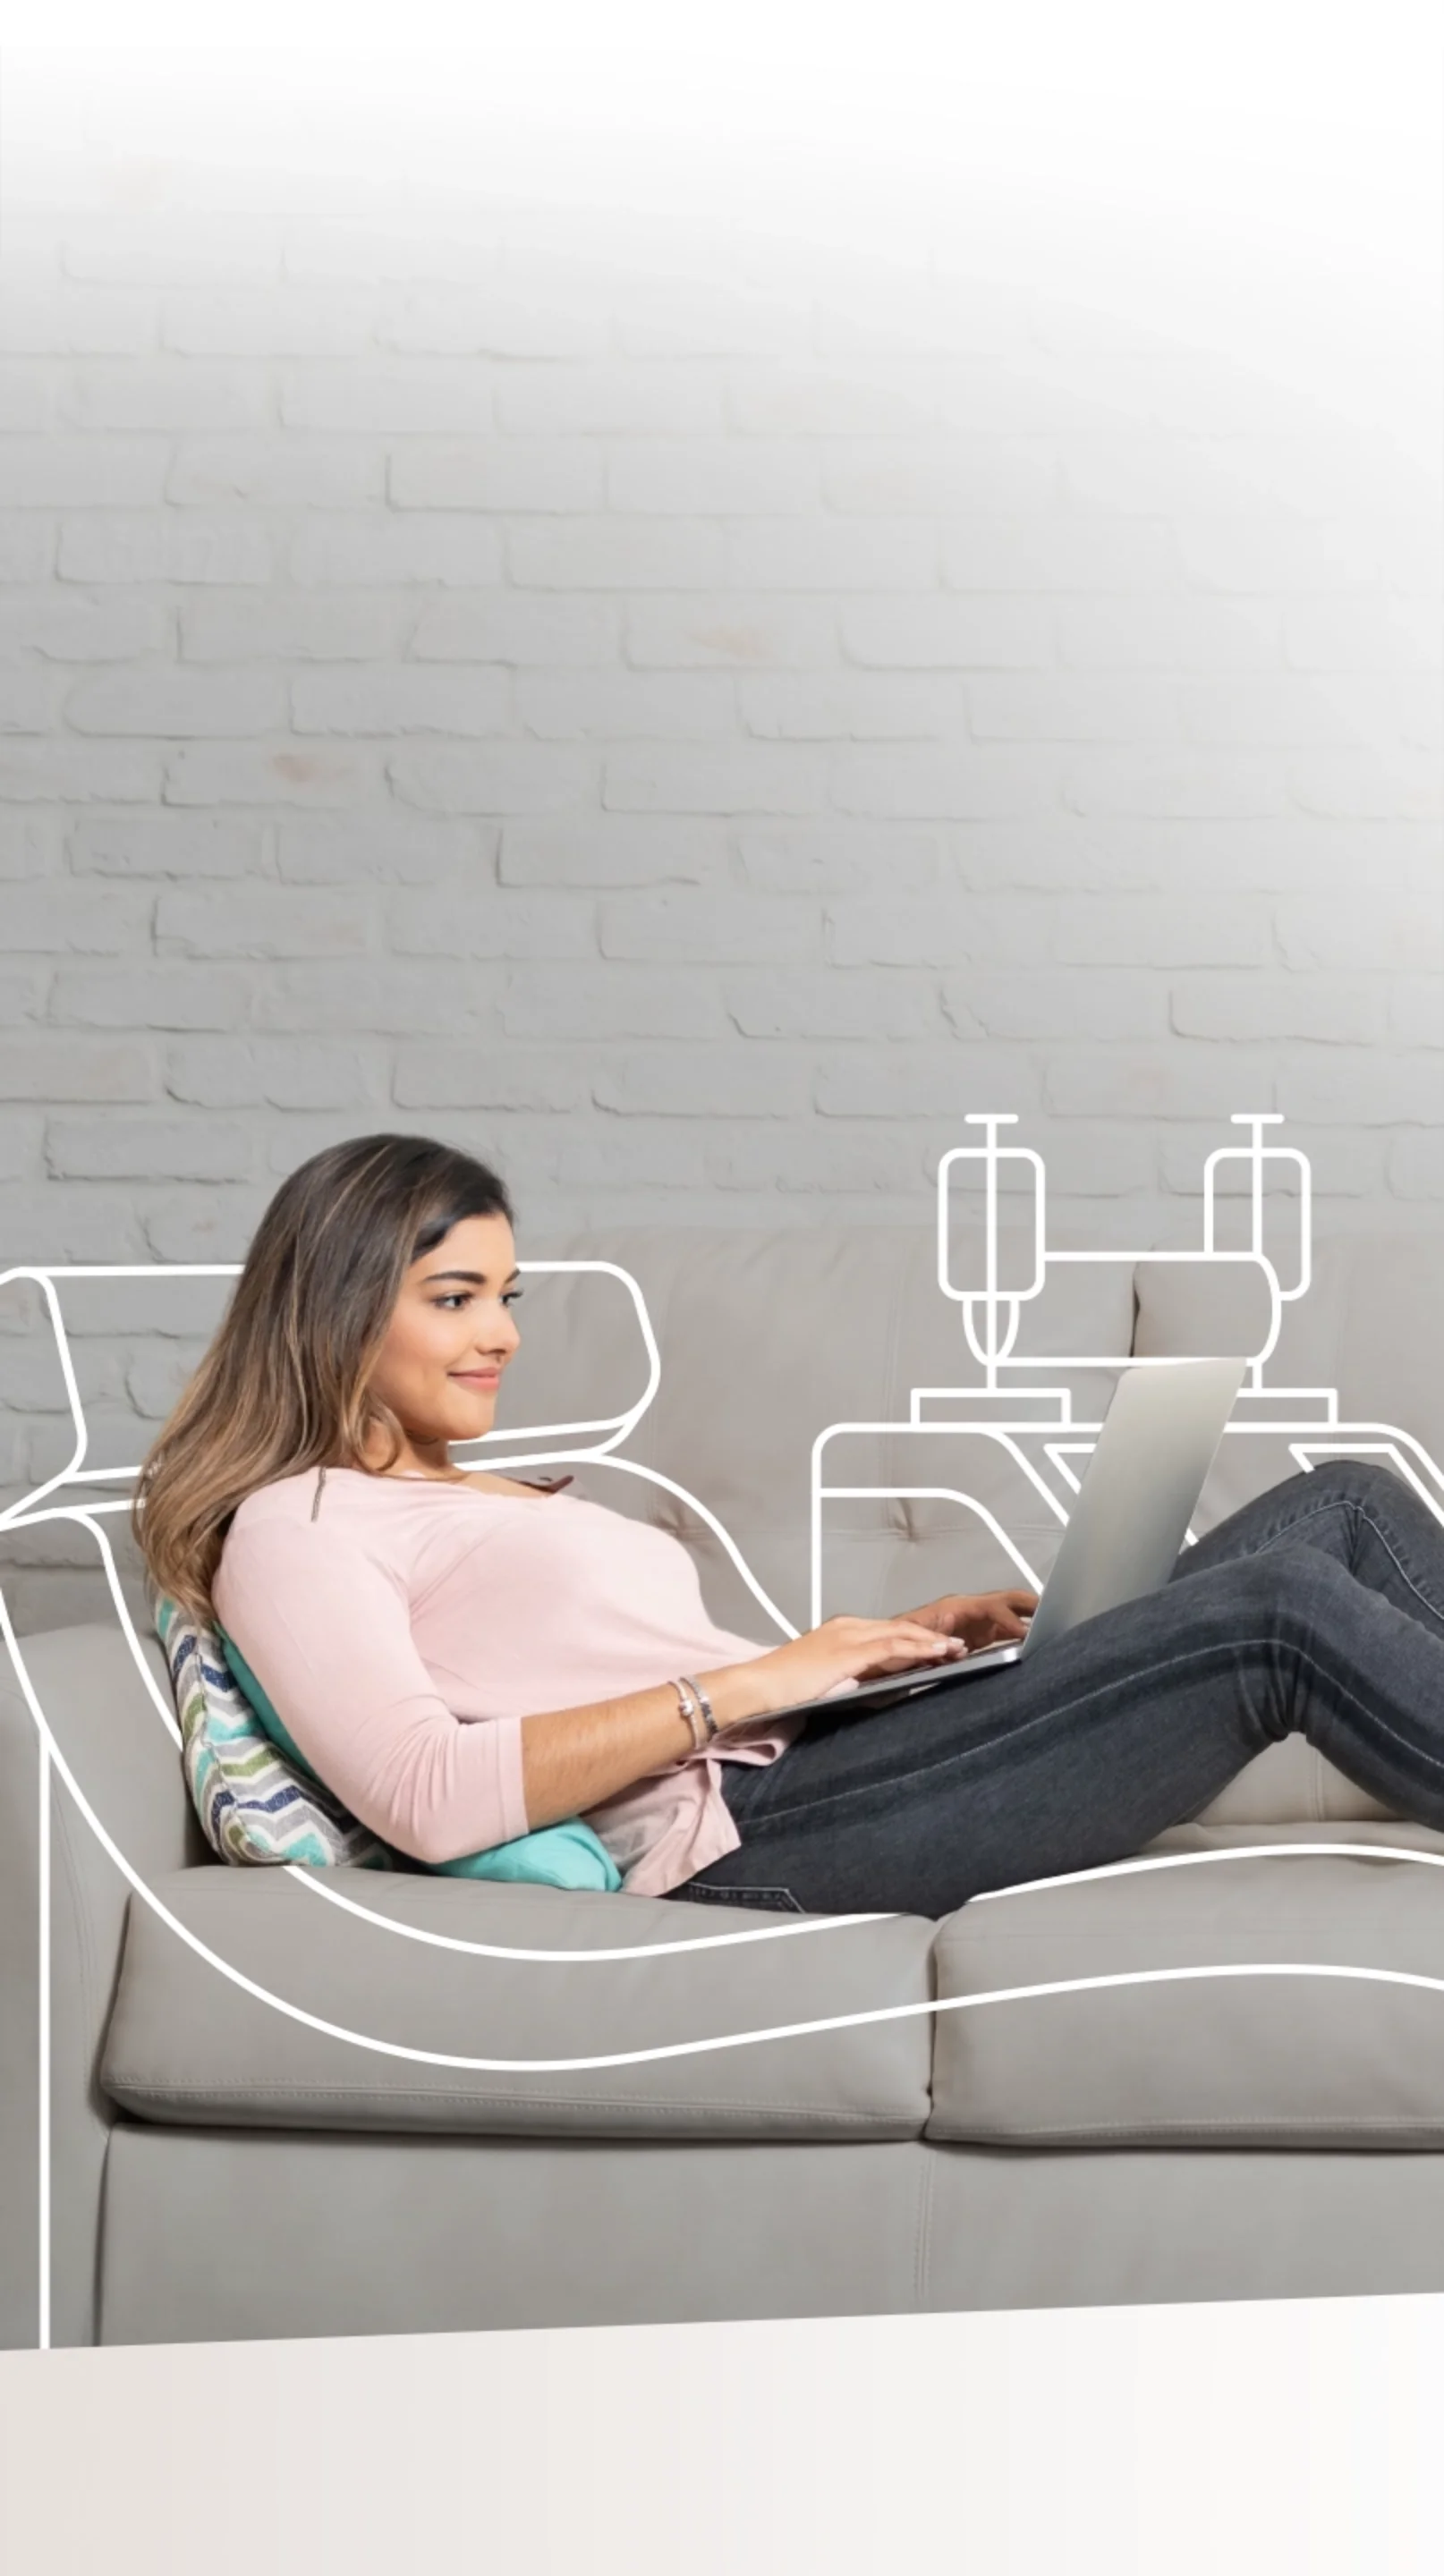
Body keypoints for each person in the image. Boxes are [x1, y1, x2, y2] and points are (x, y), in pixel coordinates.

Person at [135, 1132, 1444, 1919]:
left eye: (507, 1295)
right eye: (457, 1298)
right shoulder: (299, 1525)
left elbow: (636, 1682)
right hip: (752, 1842)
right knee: (1279, 1616)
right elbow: (422, 1796)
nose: (504, 1336)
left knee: (1339, 1503)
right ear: (340, 1307)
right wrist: (760, 1679)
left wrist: (901, 1649)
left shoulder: (468, 1490)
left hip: (816, 1760)